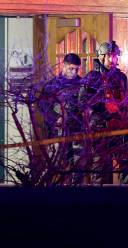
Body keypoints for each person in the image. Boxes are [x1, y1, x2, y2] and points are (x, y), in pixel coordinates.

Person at [82, 41, 128, 185]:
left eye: (115, 56)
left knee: (127, 164)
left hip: (120, 128)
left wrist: (125, 112)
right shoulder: (92, 77)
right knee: (99, 168)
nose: (112, 60)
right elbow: (83, 100)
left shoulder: (121, 77)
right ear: (101, 57)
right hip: (100, 129)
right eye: (109, 56)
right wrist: (104, 110)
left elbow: (126, 100)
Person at [43, 53, 85, 185]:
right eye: (71, 69)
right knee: (57, 166)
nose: (74, 72)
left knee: (78, 167)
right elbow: (43, 106)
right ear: (64, 66)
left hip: (77, 132)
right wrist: (55, 119)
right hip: (58, 132)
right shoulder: (53, 85)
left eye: (76, 69)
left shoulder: (81, 84)